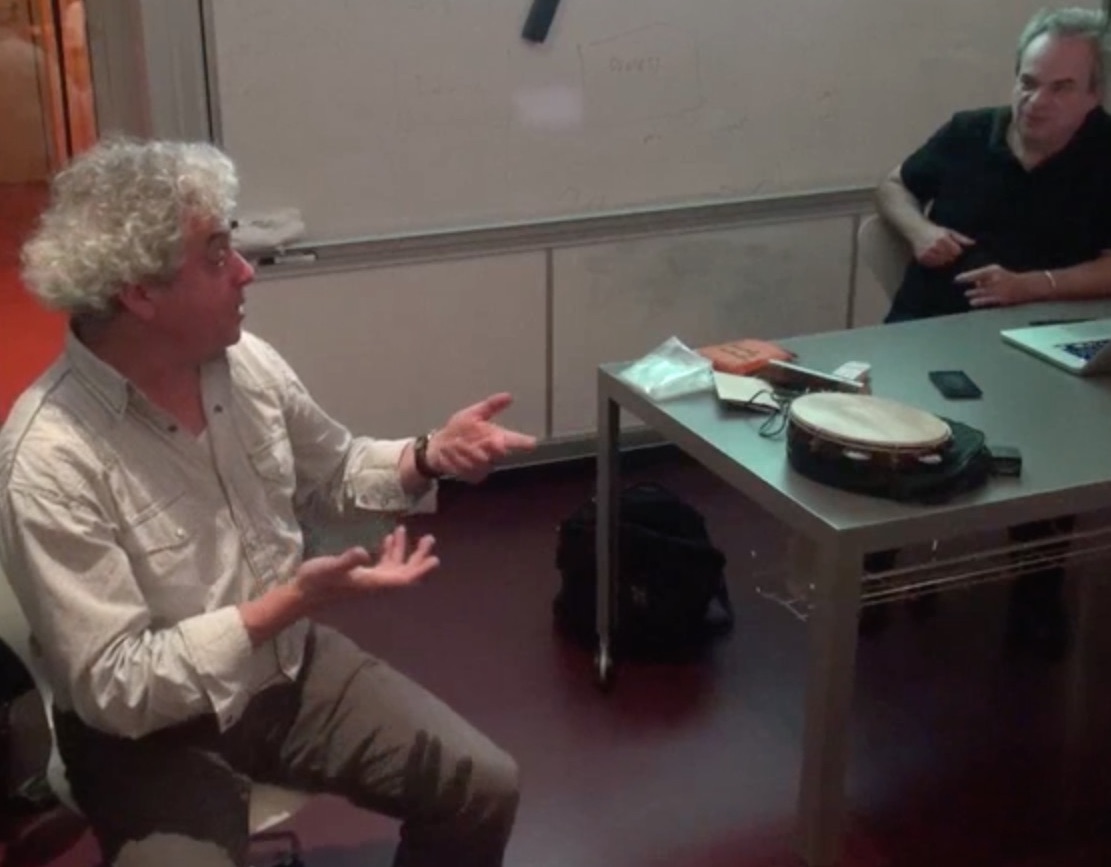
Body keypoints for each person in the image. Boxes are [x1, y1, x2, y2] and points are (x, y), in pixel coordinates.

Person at [0, 138, 537, 867]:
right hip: (147, 738)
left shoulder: (244, 363)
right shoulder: (49, 457)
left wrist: (426, 455)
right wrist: (283, 605)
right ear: (140, 292)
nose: (245, 270)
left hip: (284, 668)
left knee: (481, 784)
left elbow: (336, 468)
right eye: (217, 255)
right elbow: (115, 686)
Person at [869, 7, 1111, 657]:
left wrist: (1035, 284)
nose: (1036, 100)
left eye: (1060, 87)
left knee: (1053, 441)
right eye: (1027, 82)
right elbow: (892, 187)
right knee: (891, 424)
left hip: (1041, 338)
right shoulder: (969, 132)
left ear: (1093, 95)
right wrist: (919, 230)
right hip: (927, 327)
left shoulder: (1105, 154)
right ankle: (871, 571)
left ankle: (1036, 591)